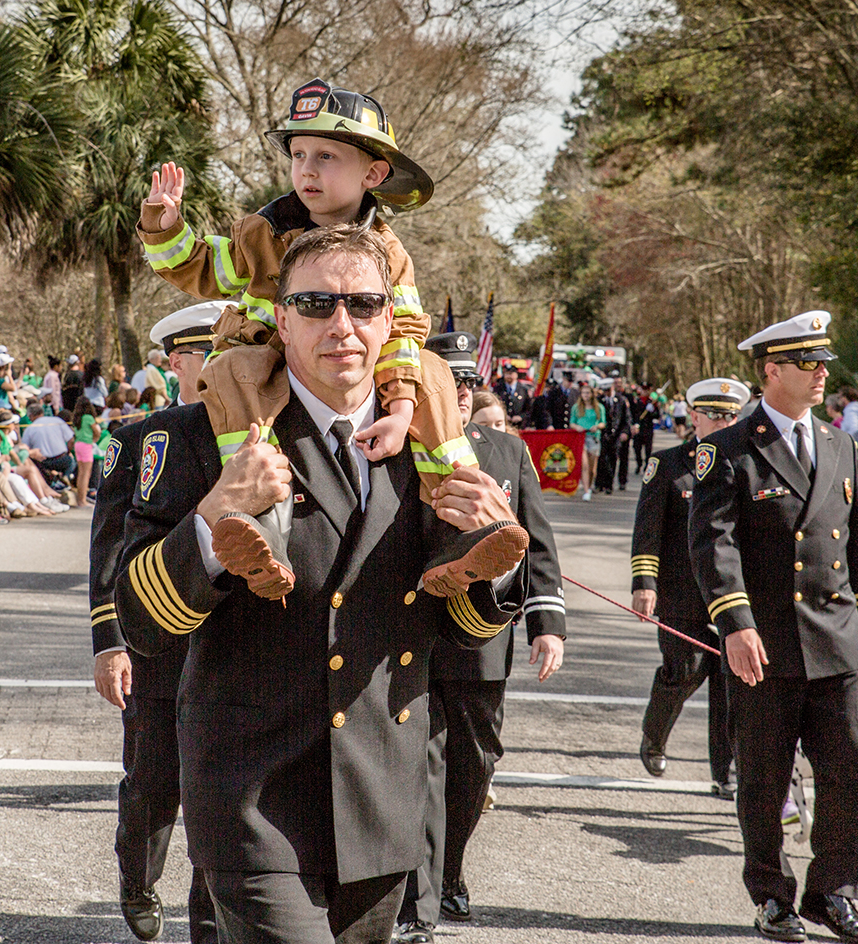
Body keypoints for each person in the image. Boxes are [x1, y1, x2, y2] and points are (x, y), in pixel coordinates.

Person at [109, 225, 527, 944]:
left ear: (391, 319)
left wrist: (497, 557)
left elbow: (462, 630)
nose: (342, 325)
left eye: (363, 304)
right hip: (253, 800)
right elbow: (144, 625)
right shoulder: (198, 434)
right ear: (280, 313)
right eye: (315, 303)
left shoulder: (431, 449)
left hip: (383, 801)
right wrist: (211, 520)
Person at [138, 78, 516, 604]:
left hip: (377, 376)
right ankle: (259, 521)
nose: (307, 169)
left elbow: (404, 331)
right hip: (262, 357)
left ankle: (459, 532)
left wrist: (403, 409)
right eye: (298, 155)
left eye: (327, 155)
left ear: (375, 173)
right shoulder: (262, 233)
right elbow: (203, 268)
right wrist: (165, 228)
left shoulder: (390, 250)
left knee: (432, 370)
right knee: (234, 369)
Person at [689, 309, 858, 944]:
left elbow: (857, 542)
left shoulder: (840, 444)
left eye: (824, 363)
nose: (822, 372)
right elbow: (713, 547)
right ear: (772, 371)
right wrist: (735, 623)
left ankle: (837, 892)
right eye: (809, 363)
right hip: (766, 642)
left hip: (836, 635)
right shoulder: (725, 449)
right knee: (765, 773)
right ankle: (772, 895)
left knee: (850, 766)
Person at [394, 332, 566, 944]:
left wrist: (549, 626)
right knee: (423, 769)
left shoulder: (507, 450)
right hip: (408, 642)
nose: (462, 393)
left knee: (473, 769)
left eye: (469, 383)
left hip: (482, 641)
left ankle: (451, 868)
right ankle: (420, 902)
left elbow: (538, 544)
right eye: (451, 381)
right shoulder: (395, 445)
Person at [90, 301, 225, 943]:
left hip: (229, 643)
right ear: (177, 362)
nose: (224, 362)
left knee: (223, 786)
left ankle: (213, 907)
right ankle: (139, 880)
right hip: (155, 642)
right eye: (209, 351)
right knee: (153, 778)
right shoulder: (138, 437)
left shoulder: (262, 430)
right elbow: (111, 548)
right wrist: (109, 641)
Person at [633, 378, 748, 800]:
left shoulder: (744, 462)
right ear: (694, 417)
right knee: (684, 670)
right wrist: (644, 583)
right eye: (713, 416)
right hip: (680, 593)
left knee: (730, 682)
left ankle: (726, 770)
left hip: (731, 596)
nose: (722, 423)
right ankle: (655, 735)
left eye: (730, 416)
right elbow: (647, 531)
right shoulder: (667, 465)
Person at [595, 374, 632, 493]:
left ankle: (609, 485)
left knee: (612, 459)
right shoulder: (599, 400)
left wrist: (625, 432)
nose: (606, 392)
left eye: (608, 389)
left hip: (616, 435)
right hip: (602, 434)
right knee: (601, 459)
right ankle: (599, 484)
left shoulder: (620, 400)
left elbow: (626, 419)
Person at [569, 384, 605, 500]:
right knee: (584, 464)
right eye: (583, 393)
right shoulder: (576, 407)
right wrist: (577, 427)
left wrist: (597, 426)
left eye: (588, 393)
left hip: (593, 437)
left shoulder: (599, 407)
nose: (585, 395)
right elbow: (572, 422)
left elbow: (603, 422)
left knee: (592, 468)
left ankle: (588, 486)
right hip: (581, 437)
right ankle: (586, 490)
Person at [71, 396, 101, 507]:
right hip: (86, 445)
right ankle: (82, 500)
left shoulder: (77, 418)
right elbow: (96, 431)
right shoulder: (88, 417)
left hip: (78, 444)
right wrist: (95, 439)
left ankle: (80, 499)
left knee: (81, 473)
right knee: (86, 474)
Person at [631, 381, 660, 474]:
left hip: (648, 428)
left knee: (648, 449)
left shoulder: (652, 402)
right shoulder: (636, 401)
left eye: (646, 390)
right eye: (643, 389)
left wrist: (652, 410)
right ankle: (639, 463)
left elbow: (657, 415)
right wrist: (634, 424)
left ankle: (647, 465)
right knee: (637, 448)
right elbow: (632, 414)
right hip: (638, 427)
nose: (645, 392)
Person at [495, 363, 532, 428]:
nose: (508, 376)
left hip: (519, 426)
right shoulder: (498, 389)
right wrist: (503, 415)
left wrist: (521, 417)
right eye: (506, 374)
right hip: (502, 424)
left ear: (516, 375)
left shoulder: (523, 390)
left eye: (511, 374)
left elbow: (529, 409)